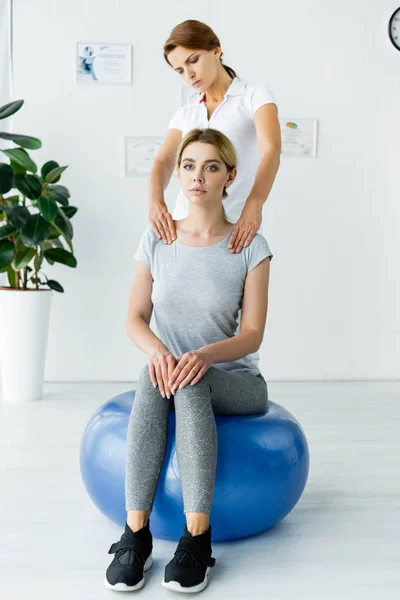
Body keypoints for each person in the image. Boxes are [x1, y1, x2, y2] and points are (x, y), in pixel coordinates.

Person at [105, 128, 273, 593]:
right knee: (155, 372)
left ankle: (197, 538)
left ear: (230, 177)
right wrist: (160, 353)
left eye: (211, 166)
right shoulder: (157, 239)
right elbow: (135, 317)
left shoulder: (250, 246)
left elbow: (252, 334)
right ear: (178, 173)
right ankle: (135, 535)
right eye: (188, 165)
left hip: (235, 380)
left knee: (191, 379)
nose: (197, 176)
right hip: (171, 374)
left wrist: (201, 357)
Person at [148, 19, 281, 254]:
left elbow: (271, 150)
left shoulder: (254, 96)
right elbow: (164, 161)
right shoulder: (186, 112)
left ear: (216, 51)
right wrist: (155, 202)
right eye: (180, 71)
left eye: (193, 60)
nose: (189, 75)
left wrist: (255, 204)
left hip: (238, 229)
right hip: (183, 229)